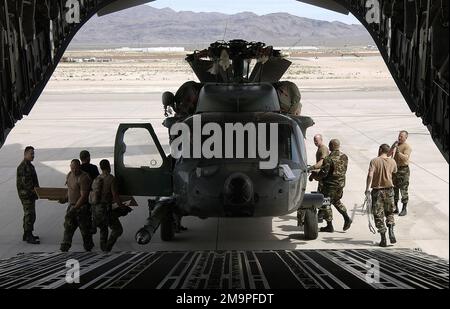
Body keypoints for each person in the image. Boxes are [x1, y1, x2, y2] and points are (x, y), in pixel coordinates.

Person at [314, 139, 352, 232]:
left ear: (331, 146)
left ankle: (329, 225)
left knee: (326, 203)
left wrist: (316, 176)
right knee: (336, 201)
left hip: (330, 185)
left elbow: (324, 173)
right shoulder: (344, 157)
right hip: (340, 184)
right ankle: (347, 218)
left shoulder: (329, 159)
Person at [365, 144, 398, 247]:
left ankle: (383, 239)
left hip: (377, 191)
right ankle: (391, 230)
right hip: (389, 190)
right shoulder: (392, 161)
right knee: (390, 212)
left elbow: (370, 175)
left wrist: (367, 189)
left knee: (378, 215)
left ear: (380, 150)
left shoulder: (374, 161)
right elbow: (395, 172)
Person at [91, 159, 127, 252]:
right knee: (118, 229)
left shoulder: (96, 179)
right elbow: (115, 195)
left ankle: (104, 250)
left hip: (96, 210)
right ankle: (108, 247)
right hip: (106, 210)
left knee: (103, 229)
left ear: (101, 168)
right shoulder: (111, 179)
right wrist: (122, 206)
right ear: (109, 167)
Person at [59, 159, 94, 252]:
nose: (74, 170)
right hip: (72, 206)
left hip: (82, 208)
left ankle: (88, 247)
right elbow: (70, 190)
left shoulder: (84, 178)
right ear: (70, 167)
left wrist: (75, 208)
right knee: (68, 227)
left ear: (79, 167)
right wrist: (65, 199)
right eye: (72, 168)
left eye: (76, 168)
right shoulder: (69, 175)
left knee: (85, 230)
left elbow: (84, 196)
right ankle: (65, 246)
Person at [16, 146, 40, 244]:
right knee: (30, 214)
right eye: (31, 154)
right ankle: (29, 235)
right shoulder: (23, 167)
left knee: (29, 214)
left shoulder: (29, 165)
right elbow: (27, 184)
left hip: (30, 194)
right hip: (26, 194)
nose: (33, 156)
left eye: (33, 154)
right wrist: (36, 191)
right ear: (25, 154)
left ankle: (26, 234)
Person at [389, 130, 412, 216]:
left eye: (401, 136)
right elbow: (388, 155)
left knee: (403, 190)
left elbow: (406, 158)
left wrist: (398, 152)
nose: (399, 138)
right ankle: (396, 207)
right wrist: (392, 148)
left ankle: (404, 208)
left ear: (406, 138)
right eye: (399, 136)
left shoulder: (407, 147)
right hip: (395, 170)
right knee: (394, 189)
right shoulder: (396, 145)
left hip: (403, 171)